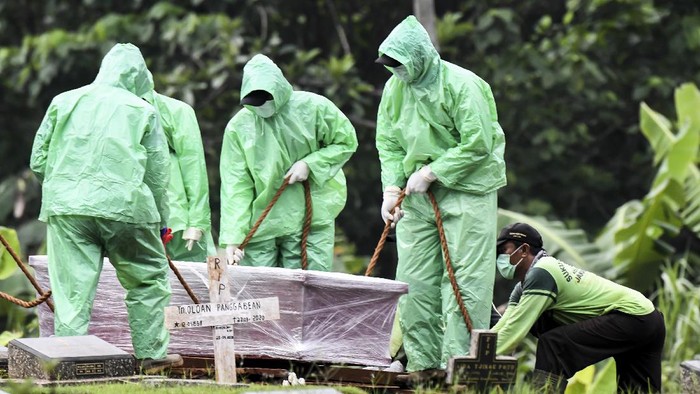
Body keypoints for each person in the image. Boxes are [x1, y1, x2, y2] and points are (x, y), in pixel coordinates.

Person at [29, 43, 181, 371]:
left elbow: (38, 160)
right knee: (147, 279)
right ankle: (151, 357)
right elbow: (156, 175)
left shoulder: (64, 101)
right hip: (127, 208)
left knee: (72, 290)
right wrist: (161, 222)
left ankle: (67, 361)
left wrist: (66, 189)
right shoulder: (143, 110)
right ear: (139, 79)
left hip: (67, 209)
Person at [375, 15, 506, 373]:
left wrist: (435, 171)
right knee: (415, 281)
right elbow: (388, 141)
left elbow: (478, 142)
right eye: (391, 66)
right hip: (417, 198)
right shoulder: (394, 89)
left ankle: (458, 366)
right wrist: (392, 187)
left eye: (400, 64)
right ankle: (422, 366)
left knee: (464, 282)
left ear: (419, 57)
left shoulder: (463, 84)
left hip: (468, 190)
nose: (396, 71)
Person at [219, 54, 358, 270]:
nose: (260, 106)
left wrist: (310, 164)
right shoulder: (239, 127)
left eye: (263, 99)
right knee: (259, 293)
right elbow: (236, 184)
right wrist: (232, 237)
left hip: (309, 220)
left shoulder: (313, 108)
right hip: (262, 223)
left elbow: (345, 141)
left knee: (309, 290)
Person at [492, 222, 665, 393]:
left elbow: (515, 330)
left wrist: (473, 365)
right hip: (649, 318)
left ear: (523, 250)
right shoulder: (524, 286)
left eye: (504, 251)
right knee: (636, 391)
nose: (500, 257)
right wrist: (476, 352)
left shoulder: (542, 273)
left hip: (633, 318)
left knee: (553, 345)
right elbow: (506, 324)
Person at [141, 70, 217, 262]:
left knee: (193, 283)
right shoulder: (116, 112)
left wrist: (197, 222)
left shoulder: (177, 112)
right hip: (138, 218)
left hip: (177, 220)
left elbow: (194, 167)